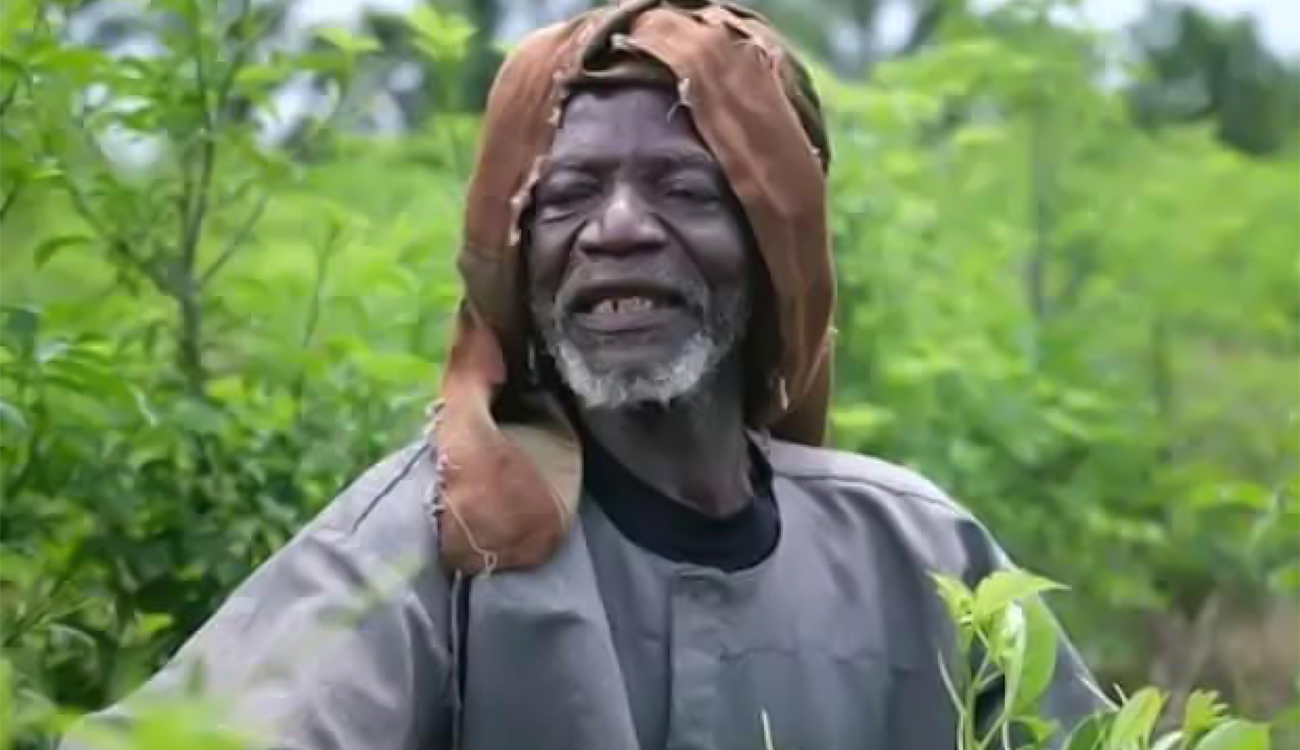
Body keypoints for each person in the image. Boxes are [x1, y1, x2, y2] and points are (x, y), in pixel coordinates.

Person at [63, 1, 1102, 748]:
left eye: (682, 188)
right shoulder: (440, 535)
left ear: (774, 248)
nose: (614, 230)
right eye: (564, 197)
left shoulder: (917, 549)